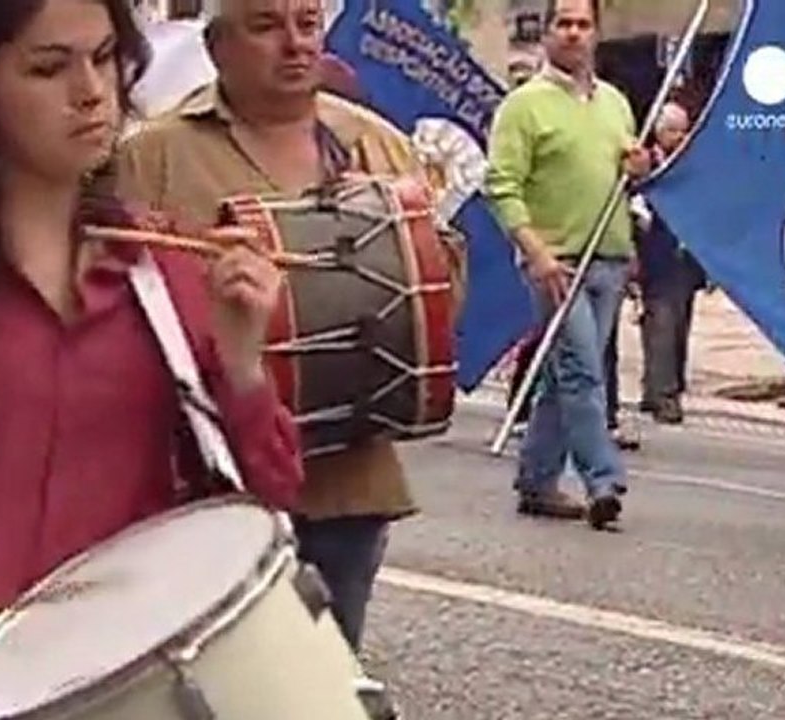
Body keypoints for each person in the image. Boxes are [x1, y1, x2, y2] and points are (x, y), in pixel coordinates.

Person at [0, 0, 304, 716]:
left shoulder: (163, 269)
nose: (91, 92)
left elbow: (264, 506)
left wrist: (244, 366)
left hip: (130, 690)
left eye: (103, 58)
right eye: (48, 68)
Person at [111, 0, 463, 710]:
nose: (295, 43)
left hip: (346, 486)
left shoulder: (377, 147)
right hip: (208, 491)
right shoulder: (152, 155)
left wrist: (405, 243)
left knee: (321, 694)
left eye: (306, 22)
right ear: (217, 45)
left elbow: (441, 294)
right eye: (266, 26)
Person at [485, 0, 649, 529]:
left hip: (610, 258)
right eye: (564, 23)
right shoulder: (523, 106)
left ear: (596, 33)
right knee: (582, 371)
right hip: (557, 263)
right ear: (547, 32)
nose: (574, 33)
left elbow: (625, 180)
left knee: (563, 378)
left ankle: (536, 481)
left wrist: (640, 168)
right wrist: (534, 251)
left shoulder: (616, 104)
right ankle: (603, 481)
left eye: (583, 24)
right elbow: (500, 185)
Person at [634, 101, 706, 424]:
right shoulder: (647, 164)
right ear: (659, 132)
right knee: (661, 324)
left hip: (685, 260)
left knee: (679, 327)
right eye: (673, 131)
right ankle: (665, 396)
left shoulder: (690, 168)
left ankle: (659, 388)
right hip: (656, 257)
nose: (680, 137)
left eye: (683, 131)